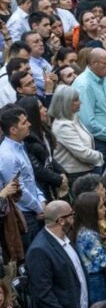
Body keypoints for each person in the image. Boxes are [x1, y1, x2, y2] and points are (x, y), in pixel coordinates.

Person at [27, 199, 87, 308]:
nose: (74, 218)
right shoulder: (40, 250)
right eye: (71, 215)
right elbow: (42, 292)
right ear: (61, 220)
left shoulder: (65, 241)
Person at [0, 105, 45, 246]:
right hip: (24, 215)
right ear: (13, 130)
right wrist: (39, 208)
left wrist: (41, 200)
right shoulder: (7, 155)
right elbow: (19, 190)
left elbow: (30, 179)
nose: (29, 124)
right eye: (24, 122)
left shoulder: (20, 146)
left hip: (35, 209)